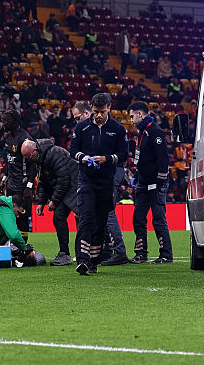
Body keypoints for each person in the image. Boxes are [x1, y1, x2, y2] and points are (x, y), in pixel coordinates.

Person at [70, 93, 128, 276]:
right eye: (95, 112)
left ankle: (93, 262)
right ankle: (82, 260)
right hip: (86, 180)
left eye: (102, 112)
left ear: (109, 108)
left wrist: (107, 159)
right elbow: (72, 150)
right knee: (85, 218)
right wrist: (84, 158)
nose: (99, 115)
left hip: (106, 182)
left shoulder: (118, 129)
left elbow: (124, 154)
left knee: (100, 223)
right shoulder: (82, 128)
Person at [127, 101, 173, 264]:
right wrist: (138, 176)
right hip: (143, 183)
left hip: (155, 184)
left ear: (140, 114)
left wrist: (160, 181)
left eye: (132, 116)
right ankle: (141, 252)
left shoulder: (155, 131)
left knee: (158, 218)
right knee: (138, 217)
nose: (131, 120)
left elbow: (163, 159)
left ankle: (166, 254)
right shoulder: (142, 131)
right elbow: (143, 157)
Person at [23, 137, 77, 267]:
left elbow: (64, 179)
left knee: (84, 219)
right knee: (59, 218)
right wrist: (41, 202)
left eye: (29, 157)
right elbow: (43, 182)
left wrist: (54, 200)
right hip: (66, 189)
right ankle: (65, 253)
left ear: (35, 150)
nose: (29, 160)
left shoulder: (55, 153)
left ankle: (100, 250)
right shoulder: (40, 159)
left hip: (74, 187)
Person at [0, 110, 36, 241]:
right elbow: (10, 161)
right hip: (11, 183)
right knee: (10, 214)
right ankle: (11, 243)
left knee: (23, 216)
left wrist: (29, 186)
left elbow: (33, 165)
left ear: (15, 121)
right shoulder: (9, 137)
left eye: (6, 121)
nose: (3, 124)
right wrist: (4, 179)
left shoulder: (25, 139)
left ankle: (23, 246)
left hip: (23, 184)